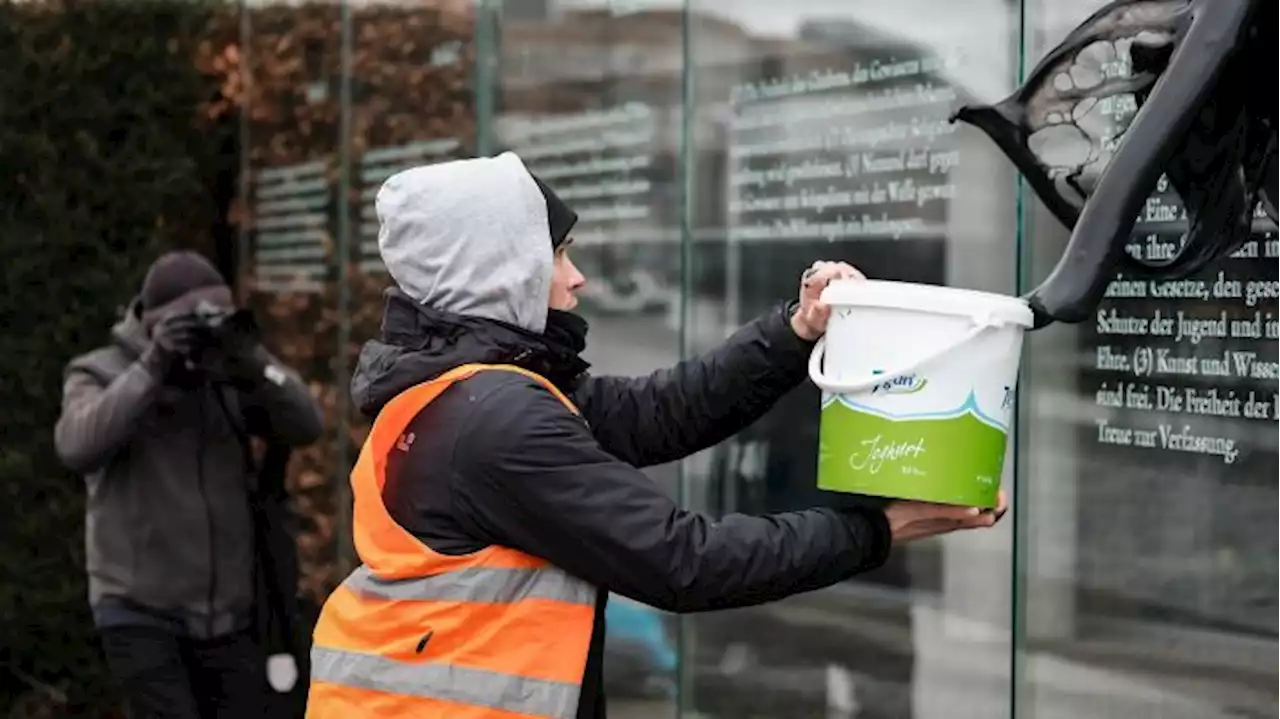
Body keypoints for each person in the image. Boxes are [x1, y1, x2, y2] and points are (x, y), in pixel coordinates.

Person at [307, 152, 1007, 719]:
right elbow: (685, 561)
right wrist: (881, 530)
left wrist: (796, 331)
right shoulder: (496, 420)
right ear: (497, 271)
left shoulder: (464, 392)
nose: (576, 278)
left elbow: (658, 411)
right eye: (556, 255)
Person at [54, 251, 324, 719]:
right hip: (140, 610)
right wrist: (154, 365)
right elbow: (77, 445)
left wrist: (252, 358)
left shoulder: (225, 376)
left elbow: (306, 423)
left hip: (229, 615)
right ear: (155, 322)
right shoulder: (100, 371)